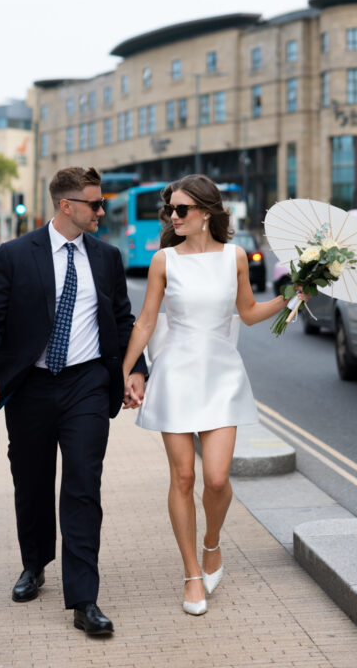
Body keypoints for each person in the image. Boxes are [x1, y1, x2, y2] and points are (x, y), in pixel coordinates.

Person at [0, 166, 147, 637]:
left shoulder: (107, 257)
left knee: (83, 485)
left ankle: (84, 600)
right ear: (66, 206)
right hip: (30, 385)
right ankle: (34, 563)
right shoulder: (13, 255)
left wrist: (137, 370)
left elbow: (123, 319)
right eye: (95, 203)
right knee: (31, 482)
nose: (102, 211)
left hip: (88, 383)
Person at [122, 174, 301, 616]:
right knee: (183, 478)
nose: (174, 217)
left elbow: (249, 313)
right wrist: (124, 371)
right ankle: (191, 575)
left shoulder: (235, 257)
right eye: (171, 210)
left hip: (221, 377)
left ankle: (212, 544)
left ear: (206, 212)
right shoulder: (163, 260)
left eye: (182, 209)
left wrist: (289, 297)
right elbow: (146, 321)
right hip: (176, 377)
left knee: (217, 479)